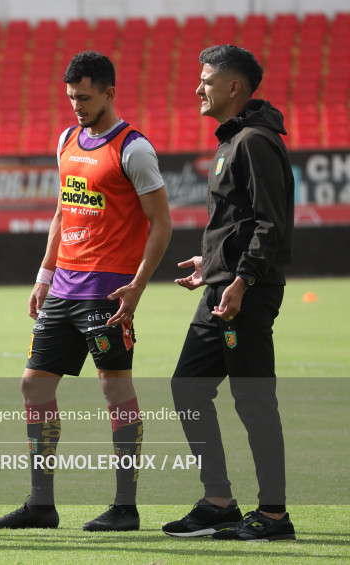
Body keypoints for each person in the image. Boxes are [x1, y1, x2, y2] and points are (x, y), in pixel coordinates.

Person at [0, 51, 171, 532]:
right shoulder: (68, 139)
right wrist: (44, 275)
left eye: (84, 98)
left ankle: (125, 507)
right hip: (64, 287)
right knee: (33, 385)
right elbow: (63, 211)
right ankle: (41, 504)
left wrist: (137, 288)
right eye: (71, 98)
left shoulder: (134, 149)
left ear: (110, 92)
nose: (76, 107)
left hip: (108, 292)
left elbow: (162, 224)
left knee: (114, 389)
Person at [161, 45, 296, 542]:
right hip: (222, 288)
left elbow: (269, 223)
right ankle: (218, 500)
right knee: (188, 387)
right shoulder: (233, 140)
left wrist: (241, 279)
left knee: (253, 398)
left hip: (246, 292)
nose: (199, 88)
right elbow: (238, 223)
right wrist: (212, 265)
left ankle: (275, 517)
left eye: (207, 80)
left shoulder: (254, 141)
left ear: (233, 87)